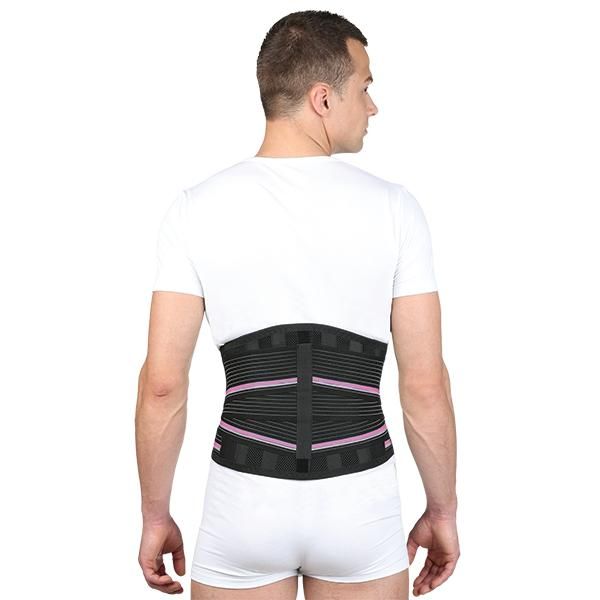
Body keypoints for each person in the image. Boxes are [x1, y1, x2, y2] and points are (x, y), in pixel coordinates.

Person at [135, 9, 459, 600]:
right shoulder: (395, 209)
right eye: (365, 87)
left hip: (244, 502)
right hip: (358, 504)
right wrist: (442, 509)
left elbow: (162, 385)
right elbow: (425, 385)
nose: (373, 106)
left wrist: (155, 514)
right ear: (323, 99)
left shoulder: (194, 209)